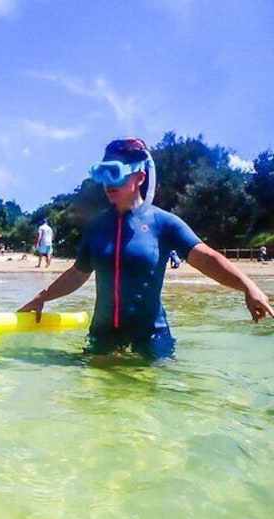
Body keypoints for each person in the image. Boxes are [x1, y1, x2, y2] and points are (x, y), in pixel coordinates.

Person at [18, 137, 273, 359]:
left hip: (152, 340)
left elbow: (206, 257)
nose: (107, 183)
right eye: (102, 174)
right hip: (103, 338)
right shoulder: (97, 227)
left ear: (140, 177)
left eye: (115, 173)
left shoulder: (162, 223)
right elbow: (78, 273)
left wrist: (247, 286)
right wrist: (42, 297)